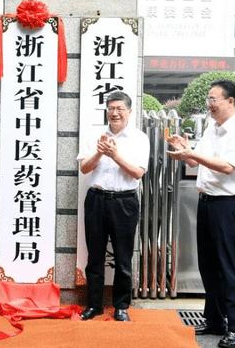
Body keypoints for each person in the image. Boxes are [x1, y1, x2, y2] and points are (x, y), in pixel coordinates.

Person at [167, 80, 235, 348]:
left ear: (231, 101)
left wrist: (192, 153)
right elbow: (197, 162)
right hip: (207, 202)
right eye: (208, 98)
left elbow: (228, 167)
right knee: (208, 264)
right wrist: (185, 150)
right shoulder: (212, 128)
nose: (210, 103)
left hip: (229, 205)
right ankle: (215, 320)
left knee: (229, 267)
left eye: (214, 98)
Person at [77, 91, 149, 322]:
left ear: (129, 111)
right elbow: (84, 169)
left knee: (123, 257)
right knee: (94, 256)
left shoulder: (139, 138)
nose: (115, 113)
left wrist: (115, 155)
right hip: (96, 199)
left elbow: (138, 173)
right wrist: (99, 151)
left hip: (125, 201)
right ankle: (94, 305)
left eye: (120, 108)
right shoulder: (93, 135)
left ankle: (121, 306)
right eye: (111, 108)